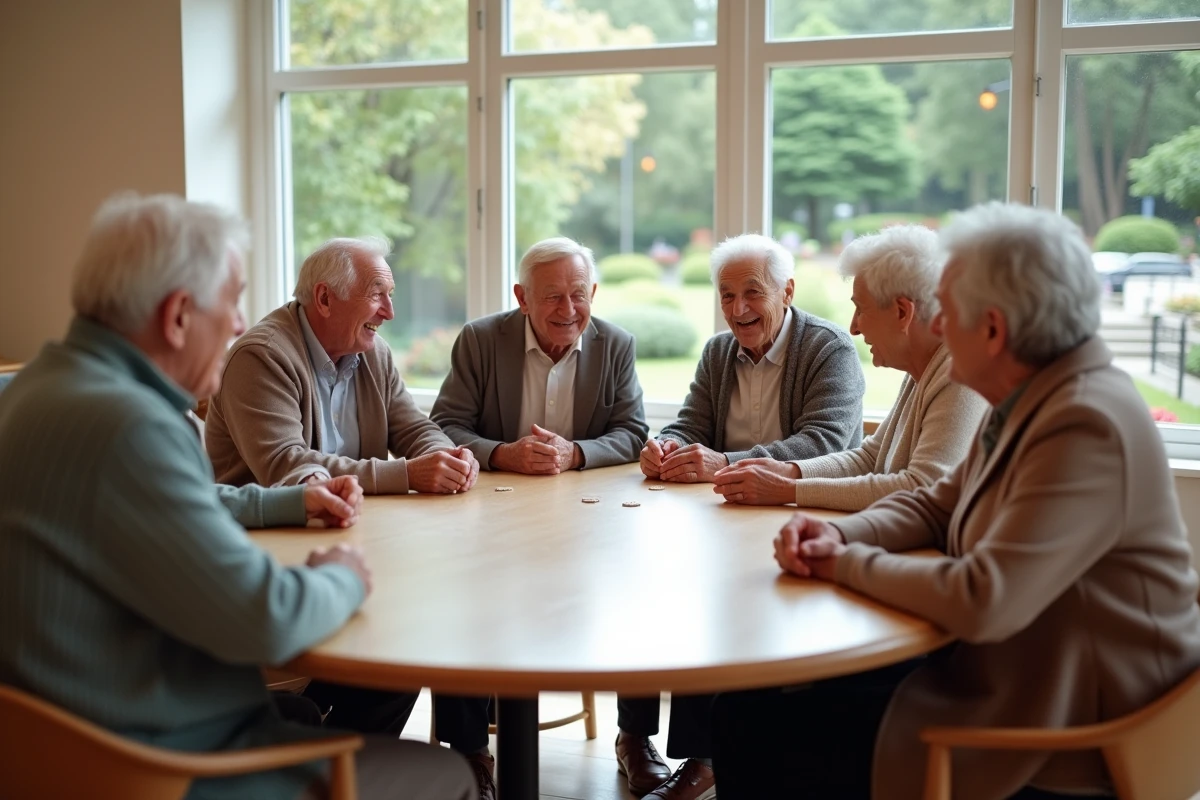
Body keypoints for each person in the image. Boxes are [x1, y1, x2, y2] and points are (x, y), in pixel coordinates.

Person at [713, 202, 1200, 800]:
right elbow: (937, 502)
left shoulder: (1085, 421)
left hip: (1077, 727)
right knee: (753, 701)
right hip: (1025, 672)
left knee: (754, 724)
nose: (937, 327)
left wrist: (841, 563)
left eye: (950, 312)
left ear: (993, 329)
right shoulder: (1034, 395)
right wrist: (841, 534)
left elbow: (982, 598)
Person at [0, 193, 476, 800]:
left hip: (47, 741)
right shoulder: (136, 424)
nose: (237, 323)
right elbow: (266, 618)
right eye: (230, 302)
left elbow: (178, 501)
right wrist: (343, 578)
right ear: (177, 316)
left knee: (315, 713)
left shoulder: (35, 389)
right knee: (445, 774)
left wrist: (287, 503)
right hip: (154, 761)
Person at [204, 236, 495, 798]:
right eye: (379, 295)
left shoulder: (371, 352)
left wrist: (446, 454)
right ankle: (320, 766)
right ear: (324, 298)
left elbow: (413, 428)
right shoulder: (260, 355)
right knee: (403, 638)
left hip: (354, 535)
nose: (390, 311)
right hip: (271, 546)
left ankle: (322, 755)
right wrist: (406, 474)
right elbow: (284, 465)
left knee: (414, 639)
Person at [624, 233, 865, 800]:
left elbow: (825, 444)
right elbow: (691, 423)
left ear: (787, 290)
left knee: (713, 596)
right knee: (638, 575)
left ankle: (703, 758)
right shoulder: (716, 353)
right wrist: (666, 445)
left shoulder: (829, 349)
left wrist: (723, 462)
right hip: (717, 514)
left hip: (791, 514)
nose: (738, 310)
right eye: (726, 295)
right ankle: (633, 736)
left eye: (752, 293)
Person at [712, 225, 988, 509]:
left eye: (861, 309)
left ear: (902, 312)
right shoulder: (923, 369)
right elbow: (869, 458)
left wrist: (789, 490)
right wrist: (790, 471)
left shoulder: (960, 374)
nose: (854, 327)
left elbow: (921, 487)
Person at [430, 236, 647, 473]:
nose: (568, 310)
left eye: (578, 294)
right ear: (523, 298)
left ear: (592, 293)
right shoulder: (480, 340)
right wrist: (503, 455)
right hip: (498, 492)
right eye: (553, 296)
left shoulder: (617, 345)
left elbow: (632, 434)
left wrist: (574, 454)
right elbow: (445, 426)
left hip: (586, 494)